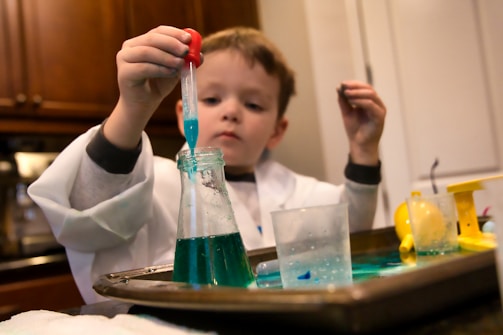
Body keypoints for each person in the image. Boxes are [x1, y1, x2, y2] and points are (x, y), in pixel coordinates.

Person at [27, 26, 386, 304]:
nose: (231, 111)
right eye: (212, 98)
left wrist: (363, 150)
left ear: (277, 131)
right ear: (185, 113)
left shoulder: (300, 191)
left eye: (254, 105)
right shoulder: (154, 182)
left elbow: (348, 238)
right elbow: (87, 218)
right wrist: (133, 109)